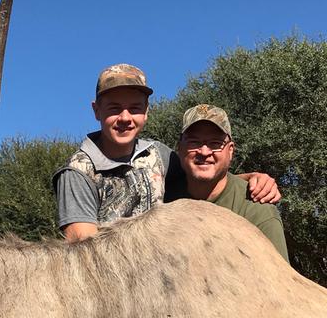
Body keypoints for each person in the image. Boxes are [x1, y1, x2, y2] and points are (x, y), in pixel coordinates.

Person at [53, 64, 280, 242]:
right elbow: (84, 253)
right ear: (96, 111)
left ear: (146, 112)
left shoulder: (156, 155)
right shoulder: (77, 173)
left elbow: (203, 175)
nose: (125, 118)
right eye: (114, 108)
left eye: (135, 108)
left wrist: (251, 180)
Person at [176, 104, 289, 262]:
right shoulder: (159, 195)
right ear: (180, 148)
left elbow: (278, 283)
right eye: (194, 142)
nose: (204, 152)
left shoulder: (258, 210)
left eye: (215, 144)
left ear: (230, 151)